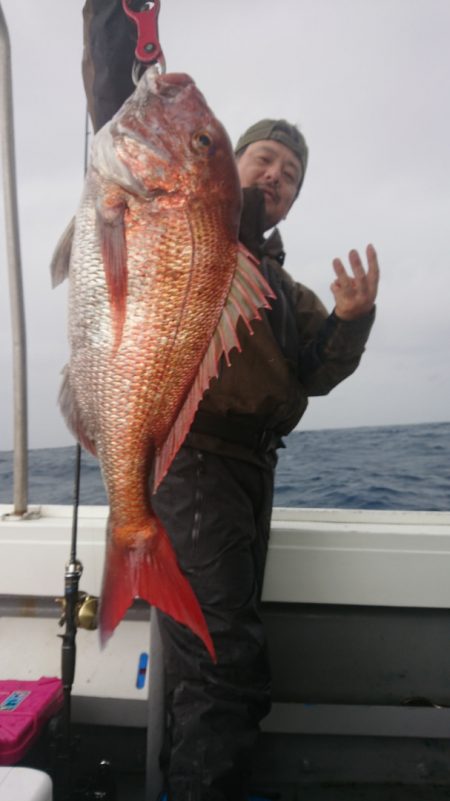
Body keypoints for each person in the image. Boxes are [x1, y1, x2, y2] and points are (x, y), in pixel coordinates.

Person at [82, 5, 379, 800]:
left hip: (251, 484)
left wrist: (352, 321)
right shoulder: (181, 216)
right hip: (192, 469)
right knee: (229, 670)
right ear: (225, 166)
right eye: (261, 156)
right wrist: (117, 16)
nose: (275, 175)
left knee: (204, 662)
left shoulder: (282, 288)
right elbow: (117, 103)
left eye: (291, 172)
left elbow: (315, 372)